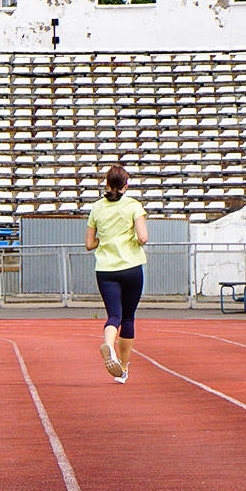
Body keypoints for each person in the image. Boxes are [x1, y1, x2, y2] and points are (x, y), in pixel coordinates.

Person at [86, 162, 148, 383]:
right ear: (126, 185)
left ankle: (108, 346)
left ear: (107, 184)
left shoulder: (96, 208)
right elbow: (143, 238)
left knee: (114, 315)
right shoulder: (134, 206)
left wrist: (107, 238)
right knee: (129, 318)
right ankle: (122, 369)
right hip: (131, 267)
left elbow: (89, 244)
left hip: (105, 269)